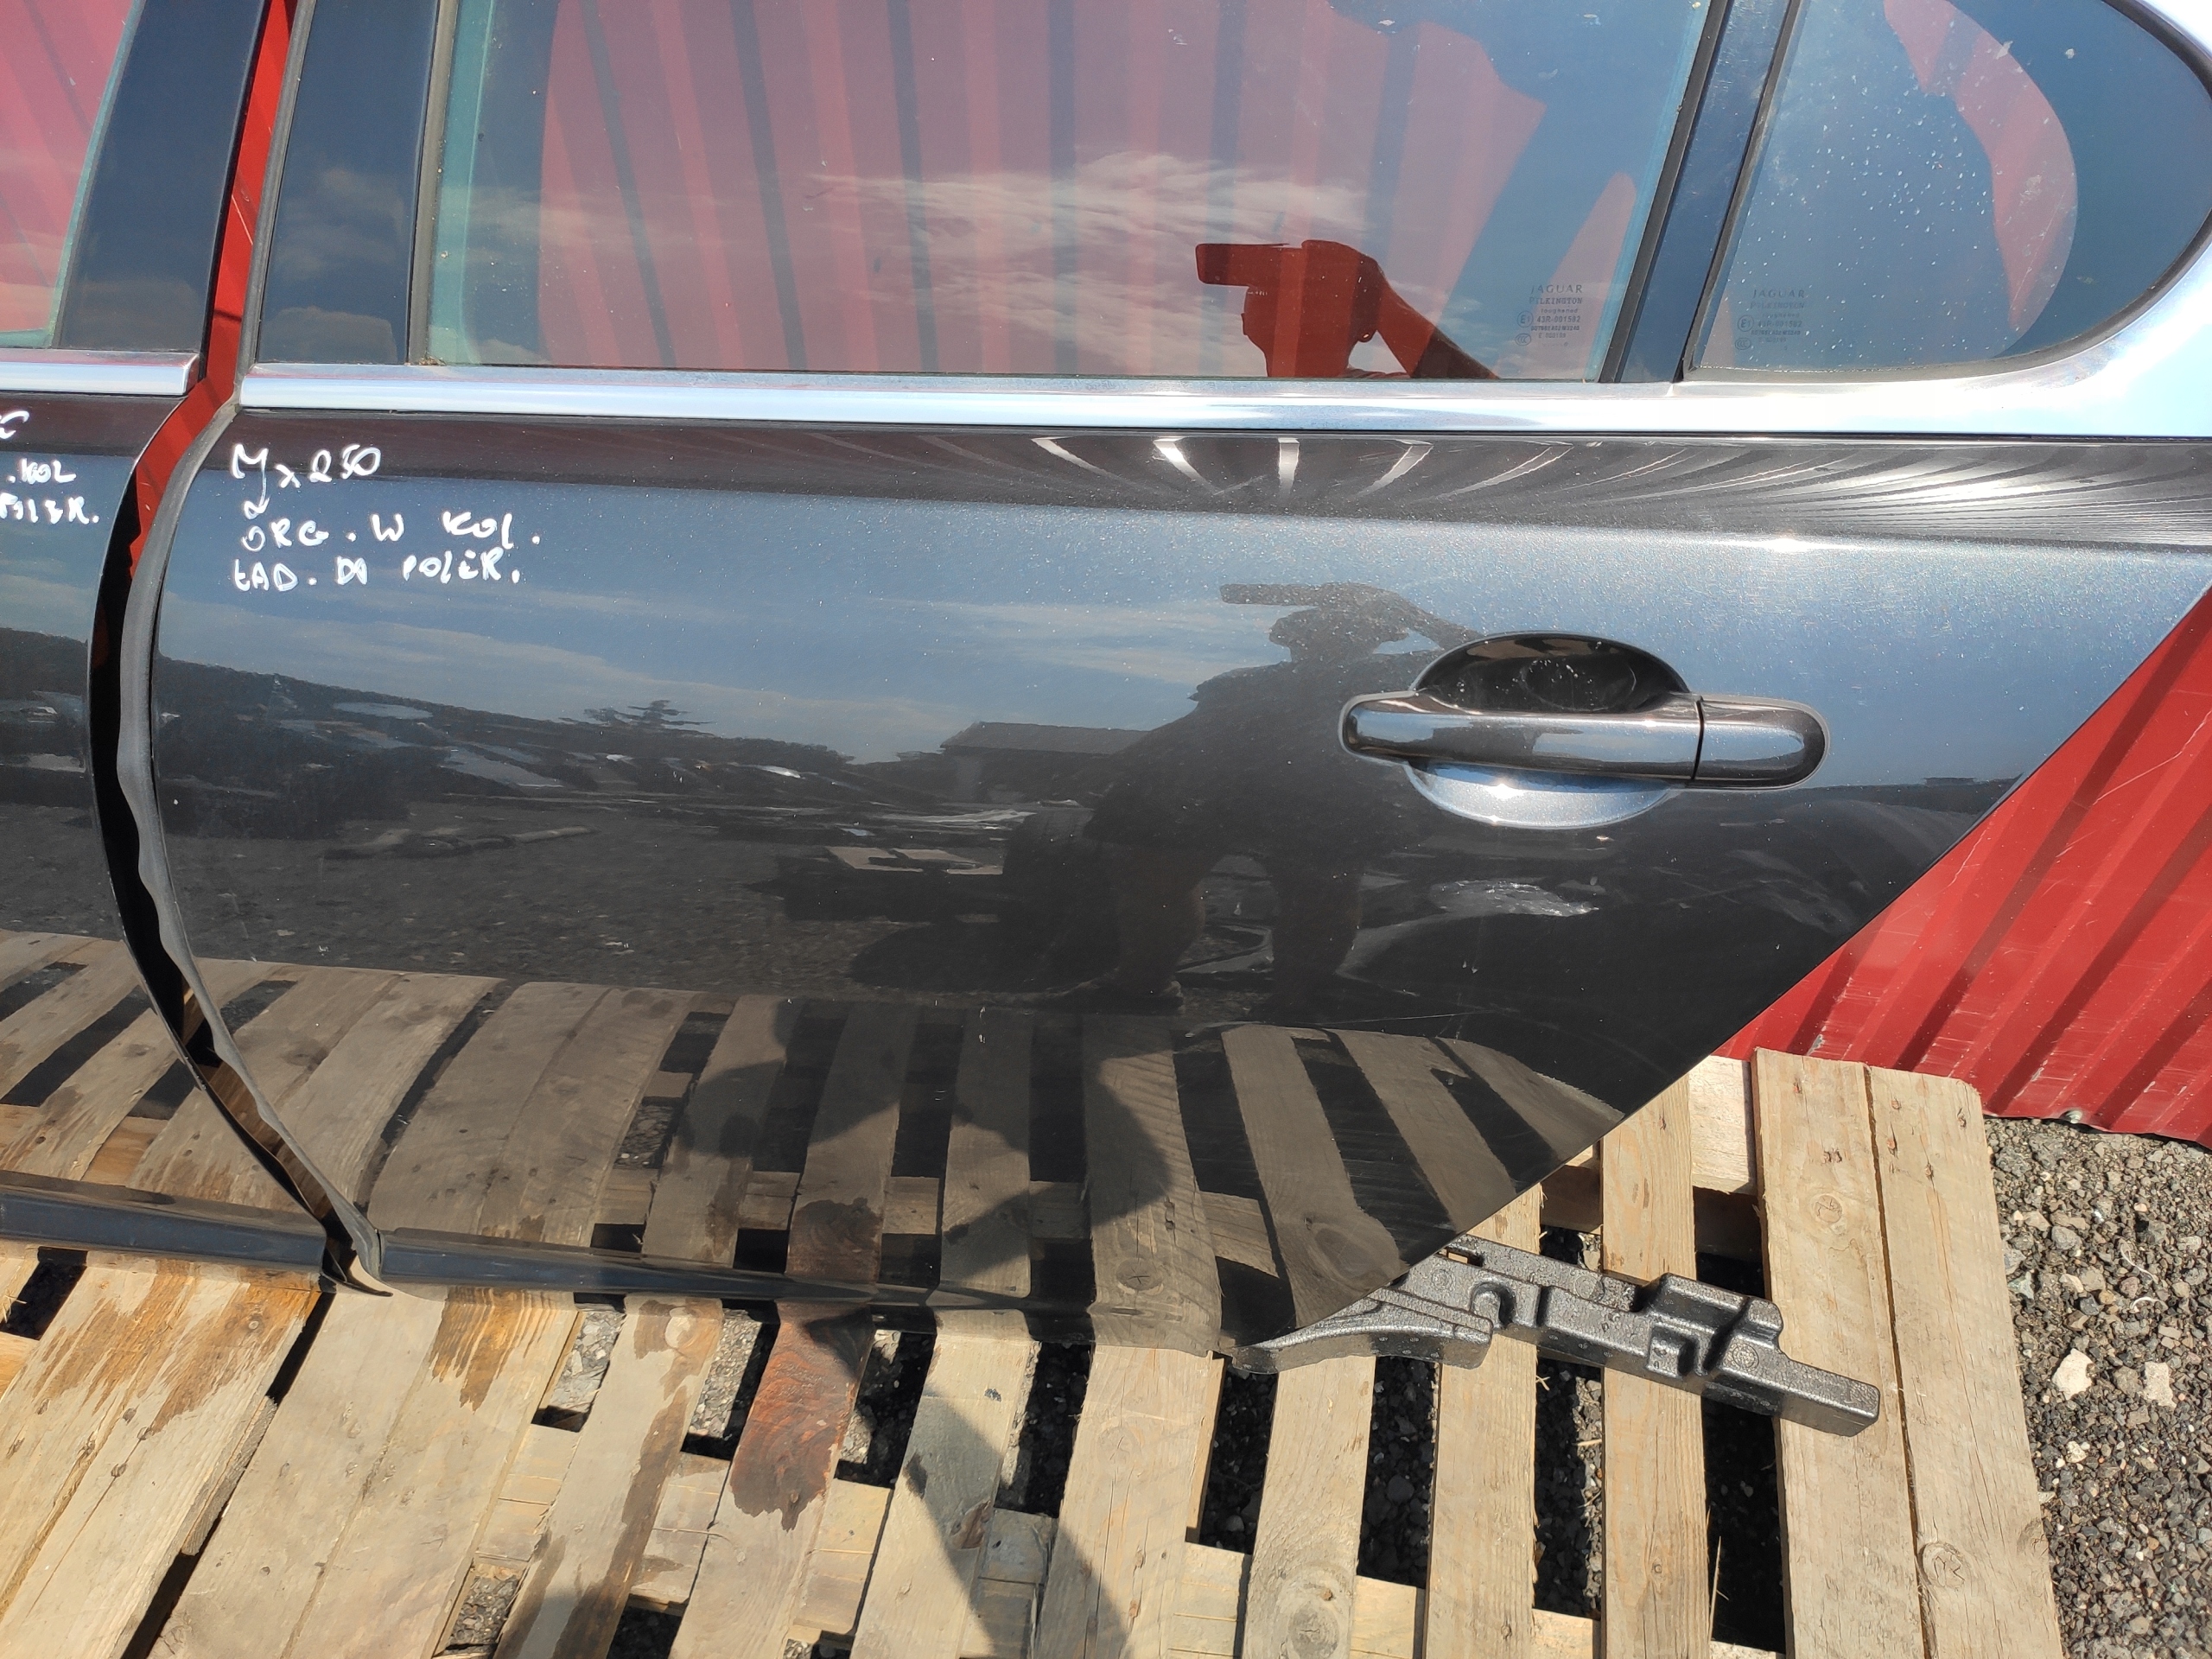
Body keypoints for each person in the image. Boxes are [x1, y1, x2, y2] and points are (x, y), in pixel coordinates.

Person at [1061, 583, 1476, 1019]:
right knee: (1155, 876)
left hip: (1323, 795)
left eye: (1342, 626)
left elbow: (1481, 657)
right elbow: (1194, 730)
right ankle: (1142, 987)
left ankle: (1292, 1006)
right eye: (1312, 625)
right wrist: (1118, 763)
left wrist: (1407, 611)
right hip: (1214, 791)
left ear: (1373, 636)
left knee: (1318, 895)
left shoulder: (1393, 674)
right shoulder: (1246, 682)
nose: (1323, 632)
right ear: (1292, 637)